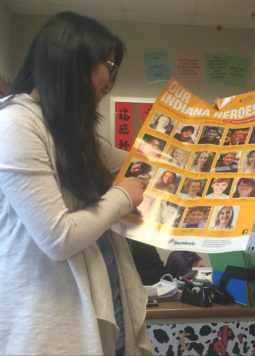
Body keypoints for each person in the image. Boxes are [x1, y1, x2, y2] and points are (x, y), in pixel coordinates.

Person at [0, 12, 153, 355]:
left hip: (97, 298)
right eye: (95, 91)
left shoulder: (67, 128)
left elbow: (136, 164)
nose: (99, 97)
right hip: (46, 317)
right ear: (66, 74)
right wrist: (122, 197)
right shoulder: (15, 124)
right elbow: (59, 237)